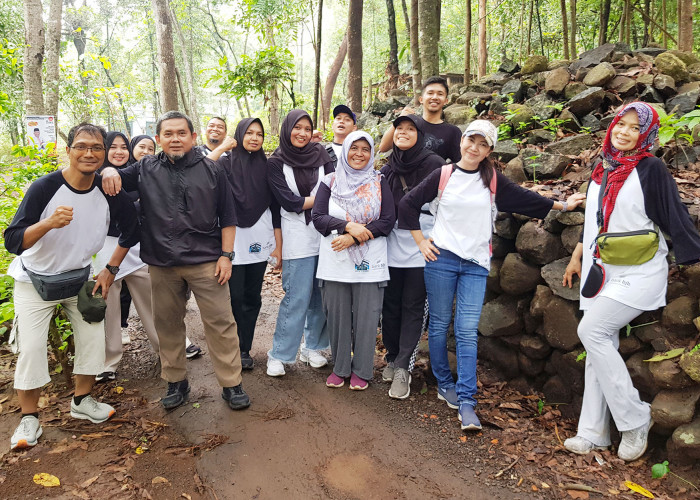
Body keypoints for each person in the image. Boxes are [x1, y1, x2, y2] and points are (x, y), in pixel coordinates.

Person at [400, 120, 584, 430]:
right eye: (471, 140)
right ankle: (444, 382)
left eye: (482, 144)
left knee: (467, 330)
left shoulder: (494, 181)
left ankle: (468, 400)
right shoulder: (443, 175)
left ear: (489, 150)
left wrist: (564, 204)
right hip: (441, 259)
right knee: (441, 323)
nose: (474, 148)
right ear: (462, 142)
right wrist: (421, 241)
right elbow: (408, 204)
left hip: (475, 264)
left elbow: (530, 200)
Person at [562, 102, 700, 461]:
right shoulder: (602, 166)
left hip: (638, 272)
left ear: (646, 135)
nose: (623, 132)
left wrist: (693, 254)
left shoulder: (650, 168)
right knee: (598, 344)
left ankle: (635, 417)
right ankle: (592, 432)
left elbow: (675, 215)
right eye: (619, 125)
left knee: (591, 332)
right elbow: (597, 220)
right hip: (598, 270)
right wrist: (578, 252)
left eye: (633, 128)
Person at [101, 111, 250, 412]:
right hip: (161, 262)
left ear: (193, 137)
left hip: (206, 260)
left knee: (221, 322)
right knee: (167, 323)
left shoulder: (212, 169)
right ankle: (175, 381)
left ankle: (231, 383)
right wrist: (108, 172)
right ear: (158, 140)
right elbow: (114, 177)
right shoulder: (145, 167)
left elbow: (228, 215)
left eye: (181, 133)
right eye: (168, 134)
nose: (175, 139)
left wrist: (226, 256)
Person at [4, 122, 139, 450]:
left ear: (104, 154)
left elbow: (133, 230)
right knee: (32, 349)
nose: (89, 153)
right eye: (81, 146)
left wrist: (109, 270)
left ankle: (82, 401)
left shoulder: (108, 191)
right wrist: (47, 223)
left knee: (94, 340)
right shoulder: (45, 187)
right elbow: (13, 240)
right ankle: (29, 419)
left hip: (79, 279)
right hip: (34, 282)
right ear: (68, 151)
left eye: (96, 148)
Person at [95, 132, 199, 383]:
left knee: (153, 303)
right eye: (113, 147)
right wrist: (107, 173)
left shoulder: (139, 172)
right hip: (105, 247)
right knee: (106, 306)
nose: (119, 152)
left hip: (138, 248)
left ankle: (168, 351)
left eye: (123, 147)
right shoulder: (95, 178)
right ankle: (108, 361)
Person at [312, 131, 395, 390]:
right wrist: (348, 225)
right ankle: (340, 368)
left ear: (371, 153)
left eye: (365, 149)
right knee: (336, 316)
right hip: (335, 262)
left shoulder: (379, 181)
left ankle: (361, 370)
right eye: (354, 148)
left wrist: (354, 238)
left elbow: (387, 220)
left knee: (367, 317)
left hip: (370, 262)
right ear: (345, 151)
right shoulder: (330, 181)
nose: (359, 154)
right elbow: (318, 217)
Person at [379, 115, 445, 400]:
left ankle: (404, 366)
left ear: (420, 134)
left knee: (413, 305)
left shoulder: (435, 165)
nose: (403, 133)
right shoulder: (388, 167)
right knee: (391, 305)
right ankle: (393, 356)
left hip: (422, 245)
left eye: (410, 129)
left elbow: (444, 203)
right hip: (392, 244)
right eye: (399, 129)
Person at [209, 118, 282, 370]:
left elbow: (275, 207)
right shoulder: (225, 163)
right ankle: (229, 347)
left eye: (259, 134)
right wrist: (221, 148)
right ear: (239, 135)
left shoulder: (268, 166)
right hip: (232, 239)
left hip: (260, 240)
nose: (254, 138)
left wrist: (278, 245)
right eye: (249, 133)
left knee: (252, 296)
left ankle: (244, 348)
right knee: (233, 296)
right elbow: (202, 170)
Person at [266, 109, 334, 377]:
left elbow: (335, 189)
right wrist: (320, 201)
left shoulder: (323, 156)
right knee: (297, 296)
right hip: (296, 235)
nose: (302, 133)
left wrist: (318, 202)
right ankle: (280, 354)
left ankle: (313, 347)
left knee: (321, 295)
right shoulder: (275, 162)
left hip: (324, 234)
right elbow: (289, 202)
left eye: (307, 128)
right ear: (287, 129)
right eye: (297, 127)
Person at [378, 76, 462, 163]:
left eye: (440, 94)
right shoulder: (410, 122)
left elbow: (460, 163)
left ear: (446, 101)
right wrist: (399, 119)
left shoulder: (452, 132)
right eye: (430, 93)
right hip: (402, 174)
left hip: (433, 175)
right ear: (421, 99)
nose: (434, 97)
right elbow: (383, 147)